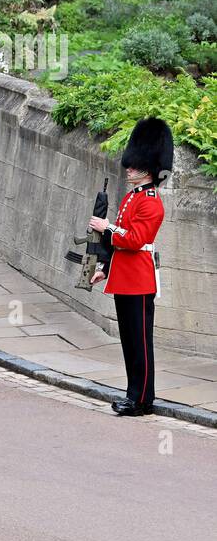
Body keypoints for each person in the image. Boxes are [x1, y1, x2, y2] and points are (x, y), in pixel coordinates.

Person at [89, 118, 172, 417]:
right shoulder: (132, 197)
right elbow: (120, 240)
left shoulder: (151, 201)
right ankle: (133, 394)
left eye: (134, 165)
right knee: (129, 342)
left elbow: (135, 239)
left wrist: (107, 226)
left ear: (147, 167)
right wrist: (104, 266)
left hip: (138, 279)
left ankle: (142, 400)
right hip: (125, 277)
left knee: (140, 343)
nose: (129, 168)